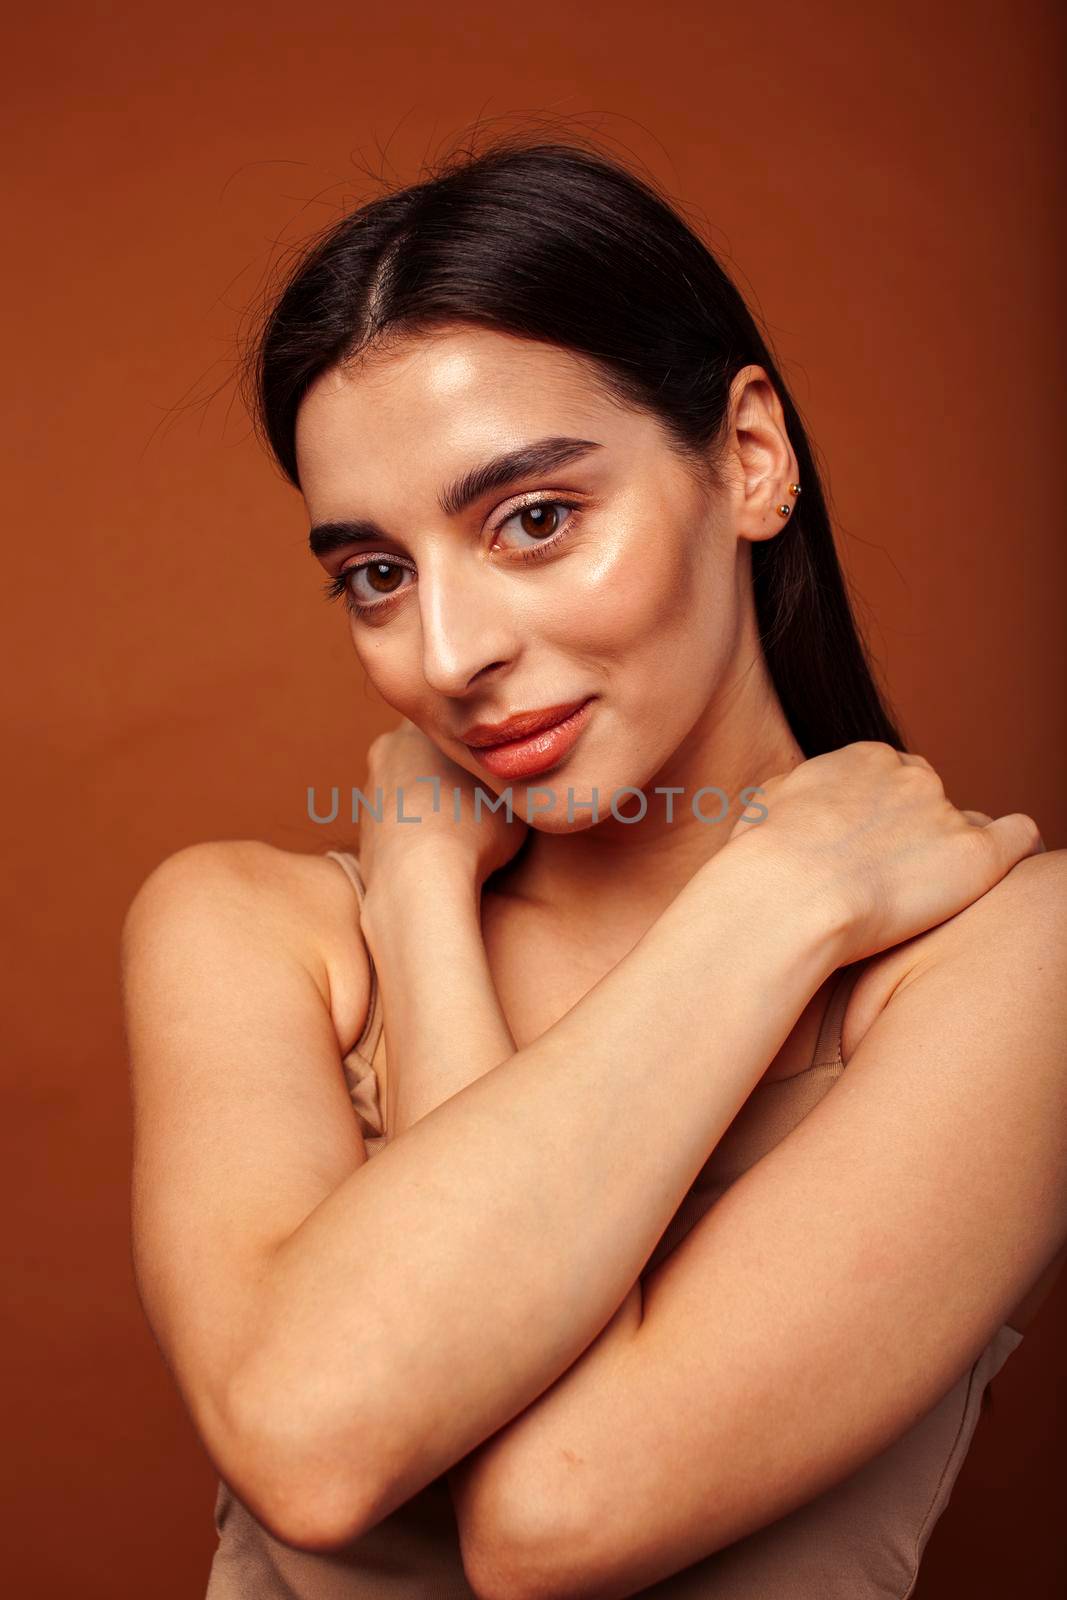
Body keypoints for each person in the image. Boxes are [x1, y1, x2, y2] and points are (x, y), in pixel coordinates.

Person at [121, 136, 1067, 1599]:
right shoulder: (249, 931)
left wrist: (769, 900)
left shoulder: (1019, 968)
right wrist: (431, 902)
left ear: (748, 460)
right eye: (377, 574)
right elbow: (315, 1448)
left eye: (536, 520)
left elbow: (548, 1515)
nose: (449, 656)